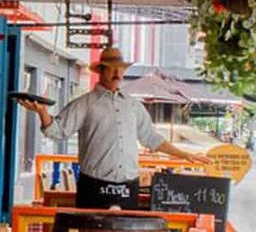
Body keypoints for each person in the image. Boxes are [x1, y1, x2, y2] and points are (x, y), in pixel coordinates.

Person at [16, 46, 201, 209]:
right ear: (101, 71)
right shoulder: (85, 103)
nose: (117, 74)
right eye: (112, 69)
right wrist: (42, 112)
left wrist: (183, 154)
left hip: (129, 186)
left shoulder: (133, 106)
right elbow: (56, 131)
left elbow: (151, 138)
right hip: (94, 185)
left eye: (120, 69)